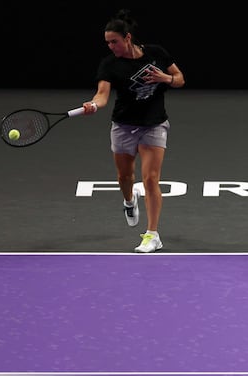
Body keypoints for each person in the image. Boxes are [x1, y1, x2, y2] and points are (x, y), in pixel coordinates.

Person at [82, 9, 184, 252]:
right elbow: (103, 94)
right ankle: (129, 201)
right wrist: (94, 104)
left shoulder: (155, 53)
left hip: (154, 125)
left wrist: (165, 79)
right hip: (124, 126)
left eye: (114, 41)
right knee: (125, 177)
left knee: (150, 179)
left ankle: (152, 235)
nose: (110, 46)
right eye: (107, 42)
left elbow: (179, 78)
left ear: (127, 38)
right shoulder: (110, 64)